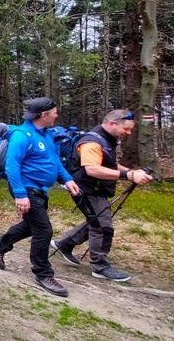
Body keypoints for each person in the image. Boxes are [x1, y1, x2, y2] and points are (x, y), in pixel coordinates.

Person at [0, 97, 81, 297]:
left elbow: (54, 160)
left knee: (31, 226)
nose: (57, 115)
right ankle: (43, 273)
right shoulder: (22, 136)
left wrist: (67, 179)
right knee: (44, 230)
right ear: (44, 115)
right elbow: (12, 166)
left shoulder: (46, 135)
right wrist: (20, 195)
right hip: (26, 189)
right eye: (54, 112)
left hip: (40, 190)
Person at [51, 109, 153, 282]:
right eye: (126, 129)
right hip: (85, 189)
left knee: (95, 219)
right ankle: (100, 266)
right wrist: (128, 176)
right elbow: (92, 169)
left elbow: (111, 164)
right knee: (103, 226)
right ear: (112, 123)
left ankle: (64, 244)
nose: (127, 134)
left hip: (96, 189)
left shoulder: (107, 139)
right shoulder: (92, 142)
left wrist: (132, 172)